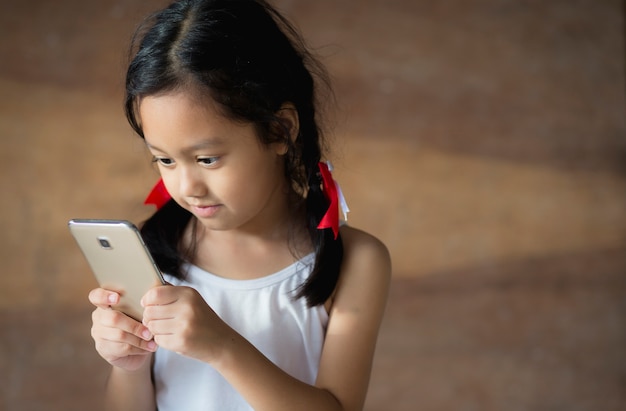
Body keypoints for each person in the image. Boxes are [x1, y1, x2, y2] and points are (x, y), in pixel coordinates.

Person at [87, 0, 391, 410]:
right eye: (165, 160)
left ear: (280, 130)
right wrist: (129, 364)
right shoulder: (152, 252)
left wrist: (223, 347)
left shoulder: (355, 260)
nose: (186, 186)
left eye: (207, 159)